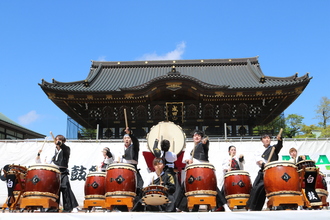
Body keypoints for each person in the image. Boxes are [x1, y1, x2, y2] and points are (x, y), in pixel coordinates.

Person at [178, 130, 230, 212]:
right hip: (192, 171)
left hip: (203, 170)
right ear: (192, 138)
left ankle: (224, 205)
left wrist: (205, 141)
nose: (197, 137)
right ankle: (180, 207)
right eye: (195, 135)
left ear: (201, 137)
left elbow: (206, 144)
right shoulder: (189, 148)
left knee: (212, 188)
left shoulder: (202, 145)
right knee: (185, 187)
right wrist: (188, 160)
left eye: (199, 135)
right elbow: (185, 159)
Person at [247, 133, 283, 211]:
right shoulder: (259, 151)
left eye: (268, 138)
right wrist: (264, 164)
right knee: (256, 189)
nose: (267, 139)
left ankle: (279, 206)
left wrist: (279, 140)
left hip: (273, 172)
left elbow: (279, 146)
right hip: (263, 171)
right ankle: (254, 208)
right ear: (262, 140)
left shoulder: (273, 148)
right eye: (265, 138)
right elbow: (259, 161)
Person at [51, 134, 79, 212]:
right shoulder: (56, 151)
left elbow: (63, 146)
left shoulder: (66, 149)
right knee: (56, 189)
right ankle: (54, 206)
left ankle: (70, 207)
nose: (57, 141)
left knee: (65, 188)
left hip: (63, 172)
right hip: (56, 173)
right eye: (56, 139)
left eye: (59, 140)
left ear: (63, 141)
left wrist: (59, 143)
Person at [117, 127, 144, 202]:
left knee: (138, 185)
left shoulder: (135, 146)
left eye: (128, 138)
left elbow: (135, 141)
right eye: (125, 138)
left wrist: (130, 134)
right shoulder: (120, 148)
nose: (126, 140)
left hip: (132, 168)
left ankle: (136, 203)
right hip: (122, 170)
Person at [153, 139, 178, 212]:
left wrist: (156, 142)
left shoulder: (159, 154)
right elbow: (175, 159)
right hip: (170, 172)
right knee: (172, 188)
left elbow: (154, 149)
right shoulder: (173, 154)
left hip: (163, 171)